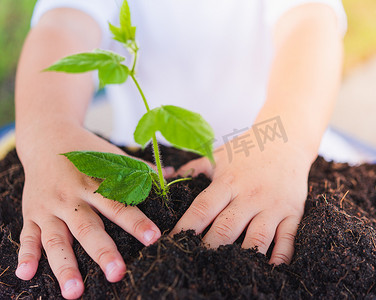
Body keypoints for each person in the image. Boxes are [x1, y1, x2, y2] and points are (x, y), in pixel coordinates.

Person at [14, 0, 346, 298]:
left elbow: (311, 22)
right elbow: (63, 23)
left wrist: (285, 146)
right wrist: (48, 131)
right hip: (141, 151)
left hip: (274, 154)